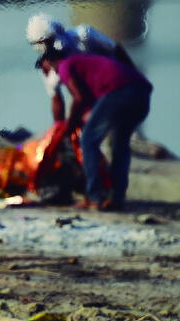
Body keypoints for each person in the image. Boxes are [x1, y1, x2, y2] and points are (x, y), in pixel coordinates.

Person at [39, 48, 152, 211]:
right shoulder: (83, 64)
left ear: (51, 62)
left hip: (119, 92)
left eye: (46, 70)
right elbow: (88, 103)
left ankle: (95, 197)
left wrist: (69, 125)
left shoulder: (64, 65)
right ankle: (117, 198)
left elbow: (78, 98)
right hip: (141, 93)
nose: (48, 76)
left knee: (88, 141)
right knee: (119, 145)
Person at [26, 13, 136, 123]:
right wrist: (59, 129)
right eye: (39, 44)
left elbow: (115, 48)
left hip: (115, 82)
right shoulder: (49, 68)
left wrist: (134, 76)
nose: (44, 47)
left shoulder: (84, 35)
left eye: (47, 41)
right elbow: (57, 99)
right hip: (91, 96)